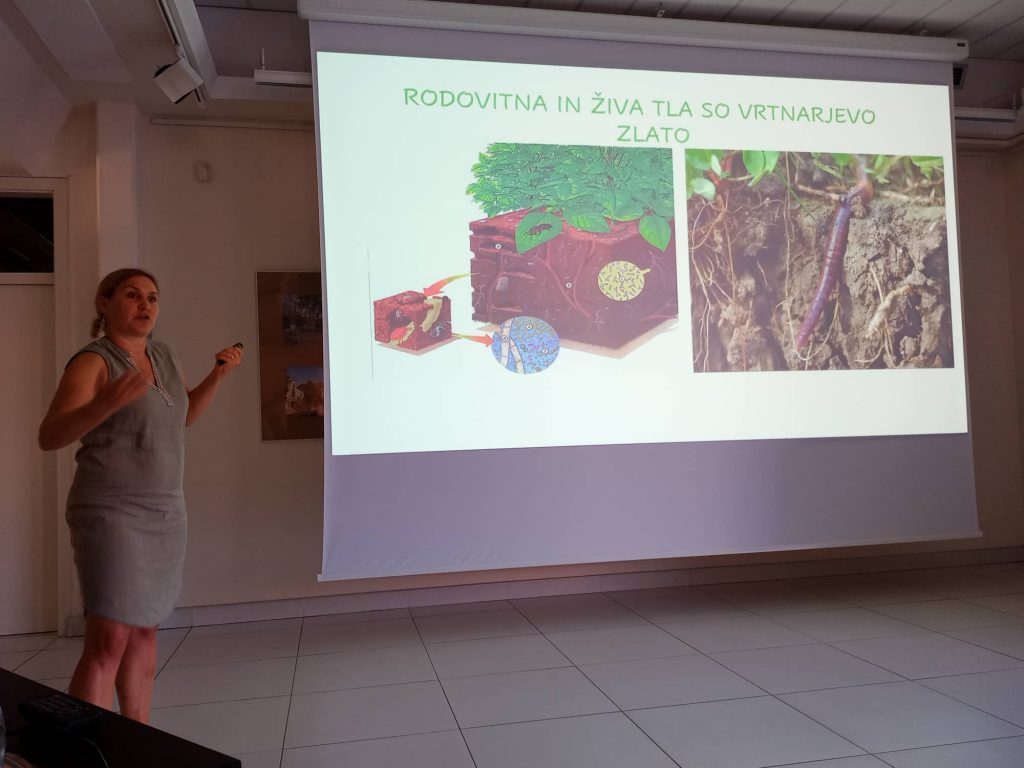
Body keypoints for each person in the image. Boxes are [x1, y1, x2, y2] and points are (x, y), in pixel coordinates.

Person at [38, 268, 243, 723]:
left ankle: (137, 737)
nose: (145, 304)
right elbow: (49, 436)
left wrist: (218, 376)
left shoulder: (164, 355)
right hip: (110, 512)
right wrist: (104, 403)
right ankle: (83, 745)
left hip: (166, 511)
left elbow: (182, 417)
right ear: (104, 303)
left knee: (145, 630)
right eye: (132, 295)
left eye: (152, 297)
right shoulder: (93, 361)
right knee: (109, 637)